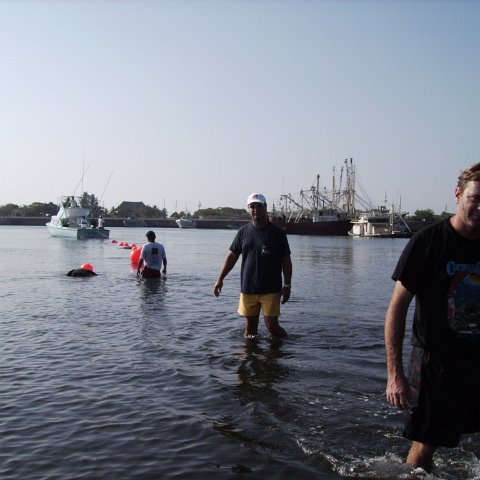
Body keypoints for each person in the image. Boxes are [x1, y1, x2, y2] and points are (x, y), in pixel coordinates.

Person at [385, 163, 480, 472]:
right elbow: (397, 308)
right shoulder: (428, 242)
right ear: (458, 194)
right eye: (474, 198)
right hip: (436, 365)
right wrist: (395, 374)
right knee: (426, 445)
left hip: (476, 360)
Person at [213, 193, 292, 338]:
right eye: (252, 206)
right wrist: (220, 279)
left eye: (259, 206)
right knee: (249, 331)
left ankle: (287, 348)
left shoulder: (277, 233)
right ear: (249, 209)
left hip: (271, 289)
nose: (255, 209)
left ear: (265, 207)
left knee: (272, 327)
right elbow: (232, 256)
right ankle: (250, 358)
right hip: (248, 288)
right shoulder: (243, 232)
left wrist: (287, 286)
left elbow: (286, 260)